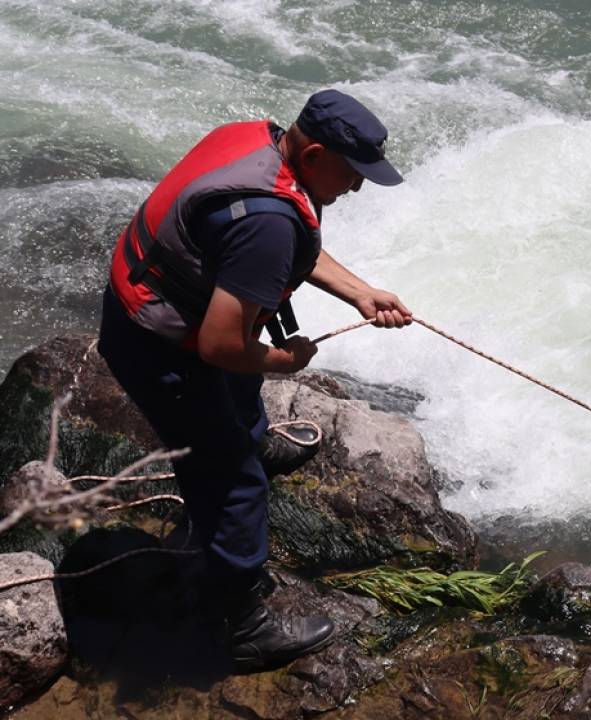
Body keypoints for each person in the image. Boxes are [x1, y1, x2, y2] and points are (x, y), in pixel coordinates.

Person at [96, 89, 411, 673]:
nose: (358, 187)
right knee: (235, 486)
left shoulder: (255, 141)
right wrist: (283, 363)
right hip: (161, 347)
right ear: (314, 154)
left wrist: (360, 292)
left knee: (239, 405)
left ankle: (253, 440)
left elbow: (280, 237)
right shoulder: (266, 224)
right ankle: (241, 625)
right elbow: (220, 344)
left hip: (145, 306)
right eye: (354, 173)